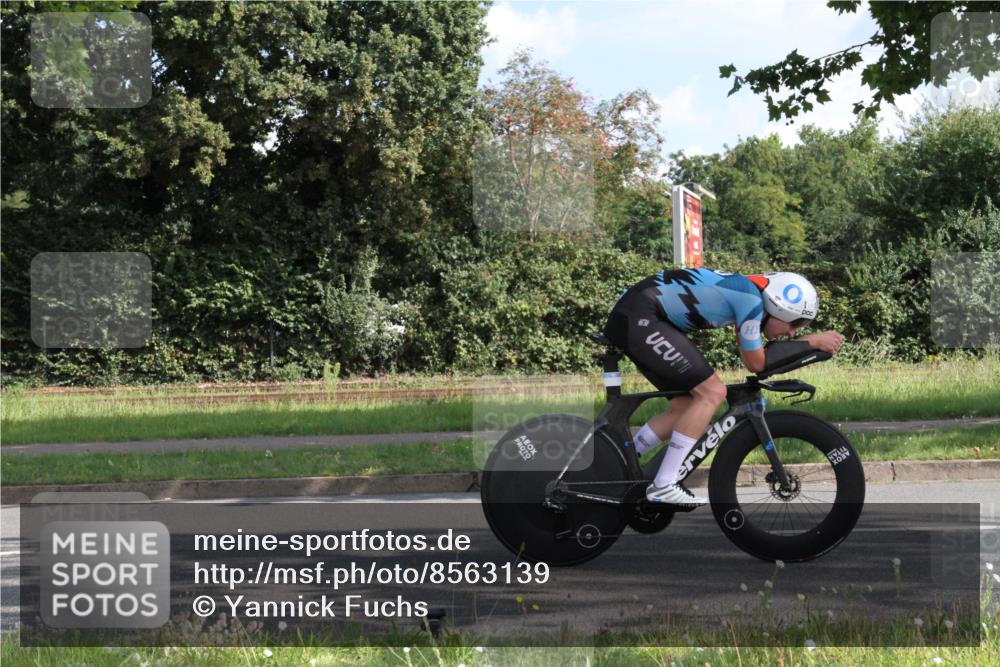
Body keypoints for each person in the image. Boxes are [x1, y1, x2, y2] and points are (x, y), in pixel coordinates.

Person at [602, 268, 844, 507]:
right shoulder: (751, 300)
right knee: (713, 392)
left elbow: (753, 360)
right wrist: (812, 342)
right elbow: (757, 363)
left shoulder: (748, 294)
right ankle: (664, 484)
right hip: (642, 315)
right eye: (794, 324)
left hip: (637, 313)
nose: (792, 333)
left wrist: (807, 345)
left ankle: (615, 461)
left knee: (686, 406)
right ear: (778, 308)